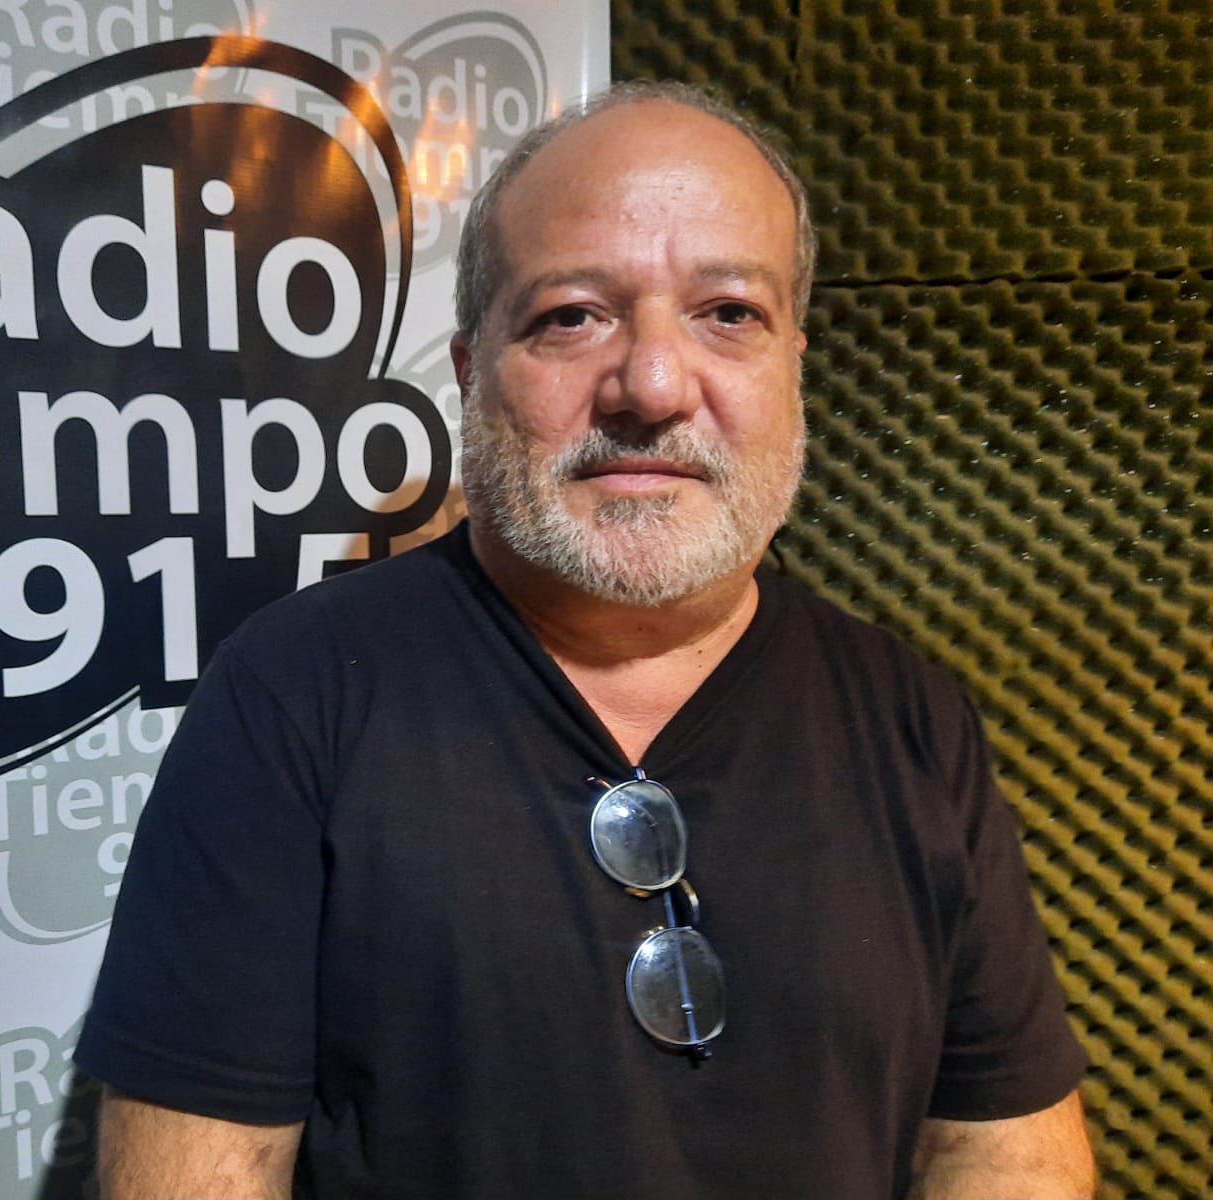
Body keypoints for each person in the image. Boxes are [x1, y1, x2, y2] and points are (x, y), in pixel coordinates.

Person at [75, 81, 1094, 1199]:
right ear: (471, 372)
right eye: (571, 316)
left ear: (792, 362)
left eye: (728, 313)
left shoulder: (912, 715)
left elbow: (1005, 1148)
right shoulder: (293, 695)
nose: (651, 386)